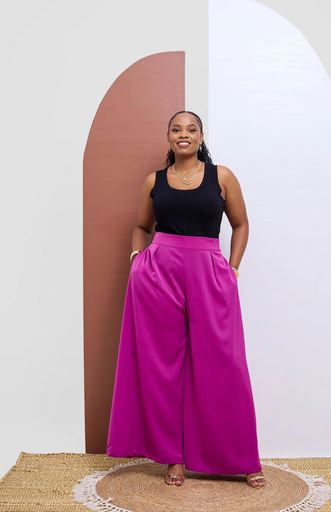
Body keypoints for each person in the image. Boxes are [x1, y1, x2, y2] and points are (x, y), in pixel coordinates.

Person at [106, 110, 266, 489]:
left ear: (200, 136)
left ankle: (244, 458)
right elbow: (141, 226)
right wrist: (137, 260)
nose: (184, 134)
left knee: (225, 364)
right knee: (164, 368)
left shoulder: (221, 177)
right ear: (168, 137)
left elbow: (241, 224)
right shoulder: (155, 181)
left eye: (191, 129)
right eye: (176, 129)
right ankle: (173, 458)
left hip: (209, 273)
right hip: (159, 275)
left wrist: (232, 268)